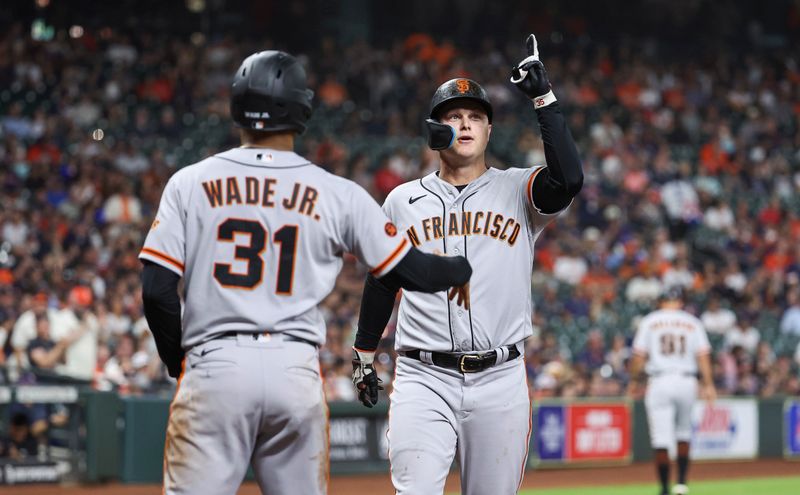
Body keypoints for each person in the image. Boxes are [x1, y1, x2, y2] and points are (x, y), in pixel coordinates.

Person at [138, 50, 472, 495]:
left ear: (236, 105)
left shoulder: (189, 182)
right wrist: (465, 264)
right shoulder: (337, 193)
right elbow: (416, 272)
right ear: (303, 109)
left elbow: (157, 290)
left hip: (215, 365)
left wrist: (176, 360)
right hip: (292, 368)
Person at [352, 34, 583, 494]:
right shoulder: (403, 200)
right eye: (453, 116)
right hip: (422, 376)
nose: (466, 124)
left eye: (476, 117)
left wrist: (544, 100)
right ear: (435, 130)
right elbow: (383, 280)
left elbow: (569, 179)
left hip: (500, 378)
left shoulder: (519, 189)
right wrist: (363, 351)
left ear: (489, 131)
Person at [627, 287, 717, 495]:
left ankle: (665, 488)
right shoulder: (692, 322)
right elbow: (703, 356)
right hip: (687, 381)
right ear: (681, 302)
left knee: (661, 438)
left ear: (660, 301)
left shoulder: (650, 320)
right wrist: (709, 384)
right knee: (684, 433)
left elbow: (639, 356)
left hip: (660, 380)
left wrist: (633, 380)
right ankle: (682, 484)